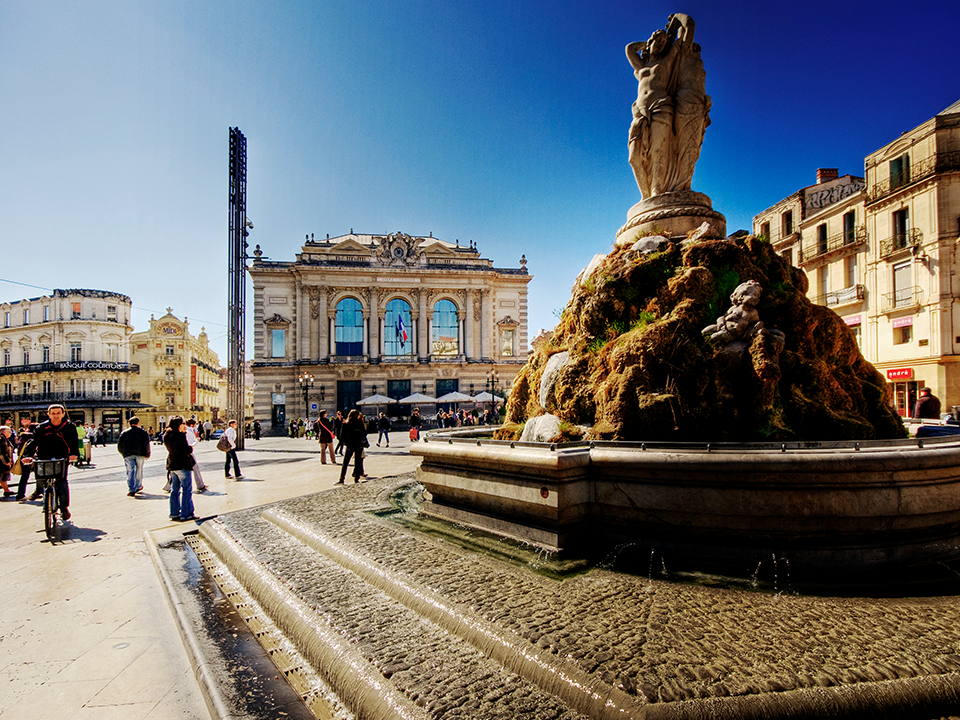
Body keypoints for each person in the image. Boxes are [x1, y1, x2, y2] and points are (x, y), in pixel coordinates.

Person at [626, 13, 710, 199]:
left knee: (659, 152)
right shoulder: (640, 67)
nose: (661, 44)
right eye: (659, 41)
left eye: (664, 42)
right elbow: (629, 48)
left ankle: (656, 191)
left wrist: (677, 19)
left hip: (662, 107)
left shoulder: (668, 60)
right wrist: (651, 42)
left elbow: (689, 26)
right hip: (641, 113)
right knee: (634, 158)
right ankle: (646, 196)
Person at [24, 404, 79, 521]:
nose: (56, 416)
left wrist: (74, 454)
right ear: (48, 414)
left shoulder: (69, 426)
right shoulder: (41, 427)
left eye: (58, 413)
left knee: (61, 481)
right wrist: (27, 456)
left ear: (63, 414)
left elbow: (74, 441)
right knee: (41, 477)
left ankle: (63, 507)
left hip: (62, 457)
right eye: (53, 413)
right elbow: (33, 442)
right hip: (44, 456)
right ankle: (40, 491)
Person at [163, 417, 196, 522]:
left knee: (174, 490)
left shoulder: (166, 435)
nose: (184, 425)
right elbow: (186, 450)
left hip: (172, 464)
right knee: (186, 490)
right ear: (179, 425)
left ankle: (174, 512)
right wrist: (190, 447)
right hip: (182, 464)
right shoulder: (180, 435)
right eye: (182, 423)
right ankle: (186, 514)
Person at [117, 417, 151, 496]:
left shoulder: (124, 433)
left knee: (130, 472)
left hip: (128, 455)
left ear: (129, 423)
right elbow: (146, 443)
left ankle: (131, 489)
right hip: (140, 454)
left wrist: (123, 454)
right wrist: (147, 453)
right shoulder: (143, 432)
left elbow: (119, 445)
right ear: (138, 423)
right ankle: (138, 486)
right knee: (139, 470)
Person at [337, 410, 368, 484]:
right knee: (357, 462)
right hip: (359, 444)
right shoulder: (359, 423)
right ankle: (356, 479)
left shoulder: (346, 423)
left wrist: (346, 442)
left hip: (350, 445)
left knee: (345, 463)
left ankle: (341, 479)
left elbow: (341, 435)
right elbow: (364, 433)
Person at [15, 415, 36, 501]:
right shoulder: (33, 437)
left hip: (23, 458)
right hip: (32, 458)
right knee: (40, 477)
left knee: (24, 477)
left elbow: (19, 448)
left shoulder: (23, 436)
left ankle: (20, 494)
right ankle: (38, 492)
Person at [184, 419, 208, 491]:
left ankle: (169, 486)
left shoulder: (188, 431)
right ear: (192, 425)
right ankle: (200, 485)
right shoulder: (189, 432)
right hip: (188, 452)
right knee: (195, 468)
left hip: (187, 452)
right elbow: (190, 443)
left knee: (178, 470)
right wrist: (197, 440)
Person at [0, 425, 15, 497]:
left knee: (3, 477)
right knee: (1, 475)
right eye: (9, 431)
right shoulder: (1, 439)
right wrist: (6, 461)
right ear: (4, 432)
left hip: (3, 462)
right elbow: (1, 452)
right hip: (1, 463)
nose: (10, 433)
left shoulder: (5, 439)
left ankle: (6, 491)